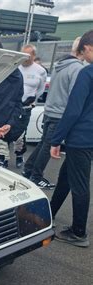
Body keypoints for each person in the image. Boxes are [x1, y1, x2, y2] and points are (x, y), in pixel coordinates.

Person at [49, 30, 93, 248]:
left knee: (80, 185)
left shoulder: (88, 73)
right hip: (89, 137)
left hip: (81, 137)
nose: (82, 57)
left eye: (83, 52)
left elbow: (73, 110)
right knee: (66, 176)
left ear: (88, 48)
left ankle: (78, 232)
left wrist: (56, 139)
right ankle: (50, 212)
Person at [23, 38, 84, 189]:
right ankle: (36, 176)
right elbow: (74, 95)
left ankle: (28, 169)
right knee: (48, 146)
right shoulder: (77, 68)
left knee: (43, 143)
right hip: (60, 113)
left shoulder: (60, 65)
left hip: (50, 110)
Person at [0, 44, 47, 168]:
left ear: (33, 55)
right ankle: (3, 158)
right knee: (3, 133)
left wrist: (31, 99)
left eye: (28, 55)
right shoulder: (15, 67)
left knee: (19, 135)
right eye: (23, 54)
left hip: (25, 107)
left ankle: (19, 155)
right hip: (10, 106)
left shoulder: (40, 71)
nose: (24, 58)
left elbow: (40, 89)